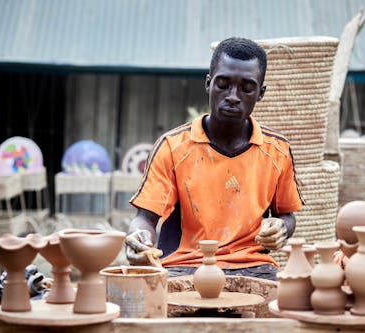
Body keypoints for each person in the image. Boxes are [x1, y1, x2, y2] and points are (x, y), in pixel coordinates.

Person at [125, 37, 304, 281]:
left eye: (246, 88)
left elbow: (287, 216)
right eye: (223, 84)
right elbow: (144, 219)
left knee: (287, 306)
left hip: (255, 268)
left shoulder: (277, 151)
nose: (233, 96)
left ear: (261, 93)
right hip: (183, 267)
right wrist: (139, 238)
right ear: (208, 84)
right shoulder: (173, 147)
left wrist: (282, 229)